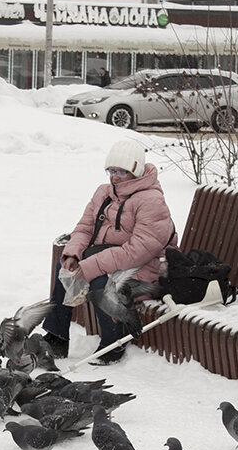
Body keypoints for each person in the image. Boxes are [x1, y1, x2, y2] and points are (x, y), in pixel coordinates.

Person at [42, 140, 177, 366]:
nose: (114, 177)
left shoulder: (151, 201)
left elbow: (139, 251)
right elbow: (84, 228)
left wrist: (92, 266)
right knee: (64, 267)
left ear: (135, 171)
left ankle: (113, 344)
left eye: (121, 172)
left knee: (102, 283)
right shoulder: (104, 193)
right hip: (109, 260)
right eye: (111, 171)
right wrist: (73, 254)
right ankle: (57, 337)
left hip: (144, 270)